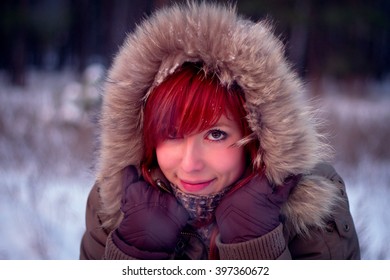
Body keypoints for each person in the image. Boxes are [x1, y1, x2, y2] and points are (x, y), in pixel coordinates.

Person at [79, 1, 360, 260]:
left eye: (216, 134)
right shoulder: (115, 205)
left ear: (257, 136)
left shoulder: (310, 208)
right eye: (171, 134)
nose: (190, 164)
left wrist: (255, 245)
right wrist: (135, 251)